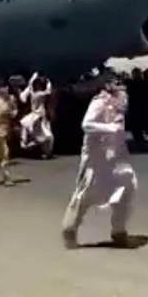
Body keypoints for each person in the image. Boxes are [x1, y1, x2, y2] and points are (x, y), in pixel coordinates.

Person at [61, 78, 138, 248]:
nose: (124, 93)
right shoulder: (99, 103)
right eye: (120, 88)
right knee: (87, 193)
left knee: (127, 186)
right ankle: (69, 228)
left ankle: (119, 232)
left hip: (116, 156)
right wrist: (109, 128)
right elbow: (86, 124)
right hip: (96, 157)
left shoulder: (118, 106)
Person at [18, 72, 55, 158]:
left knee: (43, 135)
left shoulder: (33, 93)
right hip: (37, 116)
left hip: (39, 116)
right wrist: (49, 81)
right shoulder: (39, 94)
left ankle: (43, 151)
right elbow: (48, 91)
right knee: (46, 135)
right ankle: (43, 151)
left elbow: (30, 85)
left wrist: (34, 76)